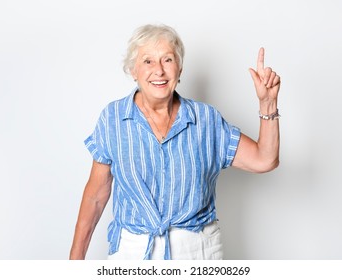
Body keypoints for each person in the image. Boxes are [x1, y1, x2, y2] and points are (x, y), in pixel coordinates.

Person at [69, 24, 280, 260]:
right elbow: (95, 196)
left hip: (197, 254)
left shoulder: (206, 120)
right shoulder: (113, 118)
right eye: (148, 61)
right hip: (132, 253)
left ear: (179, 69)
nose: (159, 70)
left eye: (167, 59)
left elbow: (265, 159)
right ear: (133, 70)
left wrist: (267, 104)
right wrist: (75, 262)